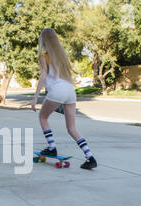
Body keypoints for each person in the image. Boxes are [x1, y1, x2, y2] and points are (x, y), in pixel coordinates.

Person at [31, 28, 97, 170]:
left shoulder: (44, 55)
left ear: (44, 40)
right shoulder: (62, 55)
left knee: (43, 117)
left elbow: (43, 76)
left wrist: (35, 98)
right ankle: (90, 157)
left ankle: (52, 147)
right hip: (70, 91)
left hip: (57, 91)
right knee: (72, 128)